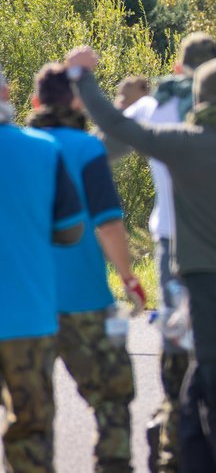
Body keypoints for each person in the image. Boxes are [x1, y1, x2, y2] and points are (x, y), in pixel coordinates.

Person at [66, 46, 216, 473]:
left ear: (199, 98)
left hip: (208, 293)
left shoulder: (185, 145)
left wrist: (83, 80)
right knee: (195, 398)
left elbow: (116, 125)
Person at [27, 63, 147, 473]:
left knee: (28, 413)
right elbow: (109, 224)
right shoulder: (86, 149)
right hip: (84, 297)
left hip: (28, 303)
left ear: (35, 101)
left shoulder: (19, 145)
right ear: (77, 102)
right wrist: (129, 278)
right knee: (111, 397)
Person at [0, 62, 85, 472]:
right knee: (31, 432)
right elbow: (71, 231)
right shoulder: (44, 150)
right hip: (26, 320)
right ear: (7, 96)